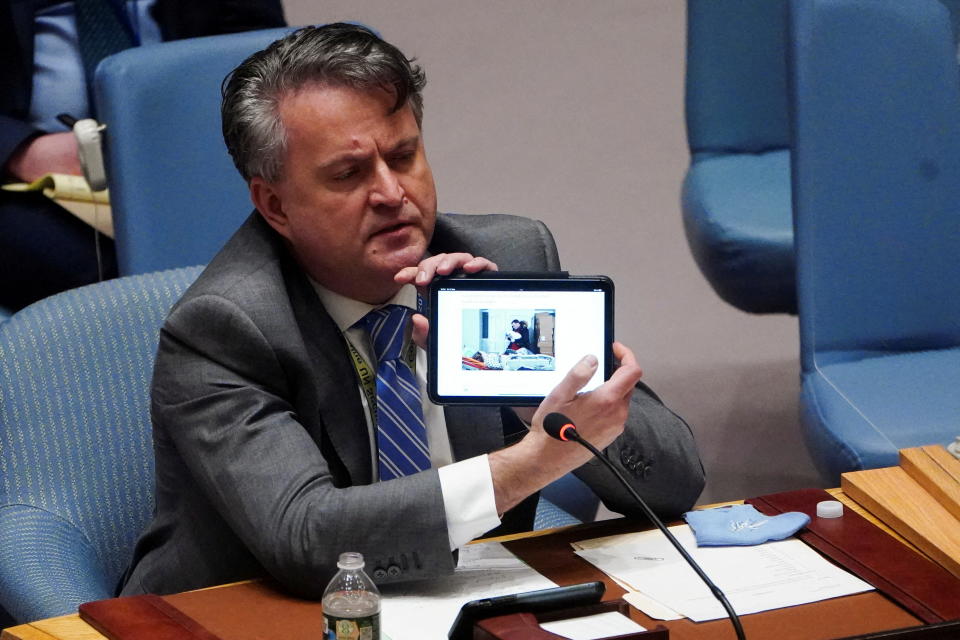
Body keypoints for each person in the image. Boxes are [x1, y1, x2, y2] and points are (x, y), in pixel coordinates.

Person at [120, 23, 705, 598]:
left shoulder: (504, 260)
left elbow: (676, 484)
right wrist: (531, 463)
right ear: (275, 205)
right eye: (349, 173)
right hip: (240, 616)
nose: (391, 193)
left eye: (402, 156)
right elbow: (307, 539)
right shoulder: (225, 326)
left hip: (463, 606)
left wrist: (533, 390)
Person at [0, 0, 286, 311]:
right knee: (125, 281)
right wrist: (23, 150)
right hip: (30, 172)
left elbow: (265, 53)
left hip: (196, 154)